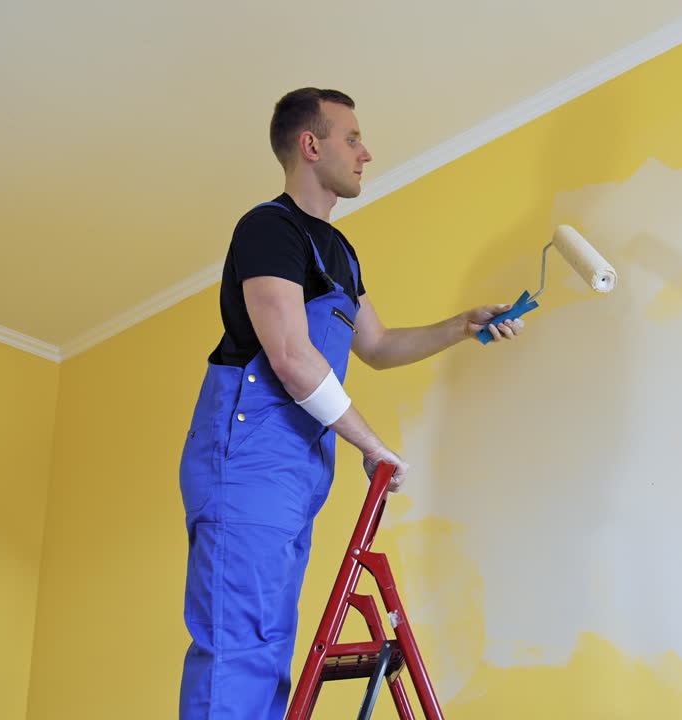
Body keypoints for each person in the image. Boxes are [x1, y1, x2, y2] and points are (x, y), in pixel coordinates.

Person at [176, 88, 523, 720]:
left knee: (268, 646)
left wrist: (462, 325)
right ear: (311, 145)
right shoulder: (270, 229)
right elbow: (291, 354)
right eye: (353, 138)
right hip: (247, 460)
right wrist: (370, 443)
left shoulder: (338, 252)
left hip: (295, 469)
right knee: (239, 647)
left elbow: (379, 346)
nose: (367, 153)